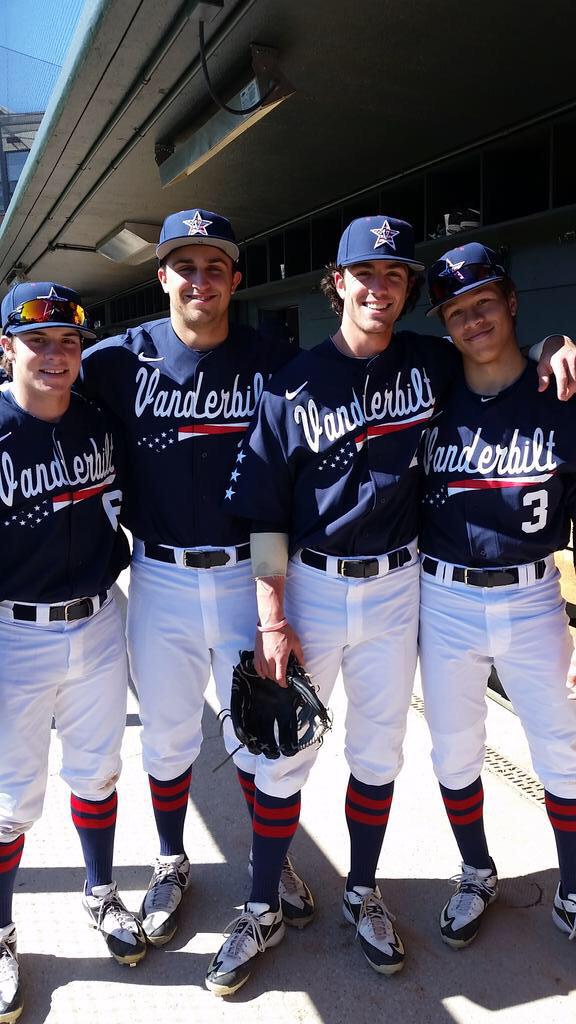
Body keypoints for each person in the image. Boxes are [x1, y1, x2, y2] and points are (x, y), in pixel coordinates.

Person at [206, 216, 576, 996]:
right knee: (282, 751)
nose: (380, 287)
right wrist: (272, 618)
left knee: (379, 752)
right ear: (336, 283)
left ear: (408, 292)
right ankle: (260, 901)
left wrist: (554, 345)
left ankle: (362, 891)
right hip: (313, 585)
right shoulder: (293, 384)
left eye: (394, 276)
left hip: (404, 583)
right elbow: (265, 510)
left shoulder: (429, 361)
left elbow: (502, 357)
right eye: (364, 274)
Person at [81, 210, 310, 948]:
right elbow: (33, 380)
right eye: (186, 265)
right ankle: (172, 860)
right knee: (170, 736)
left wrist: (547, 344)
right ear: (163, 277)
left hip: (249, 574)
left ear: (235, 279)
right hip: (161, 577)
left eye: (215, 266)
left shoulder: (273, 360)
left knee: (259, 732)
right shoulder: (118, 360)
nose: (200, 280)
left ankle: (266, 862)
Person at [418, 242, 576, 950]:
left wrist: (558, 344)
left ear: (513, 302)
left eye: (484, 302)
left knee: (562, 749)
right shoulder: (433, 391)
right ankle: (476, 868)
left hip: (533, 595)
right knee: (454, 752)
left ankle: (572, 882)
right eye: (457, 312)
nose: (473, 320)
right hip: (443, 598)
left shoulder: (561, 395)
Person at [0, 283, 146, 1024]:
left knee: (97, 770)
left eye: (66, 341)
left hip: (95, 618)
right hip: (11, 633)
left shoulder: (97, 421)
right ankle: (0, 931)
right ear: (7, 348)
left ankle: (99, 892)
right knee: (7, 797)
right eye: (37, 342)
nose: (54, 355)